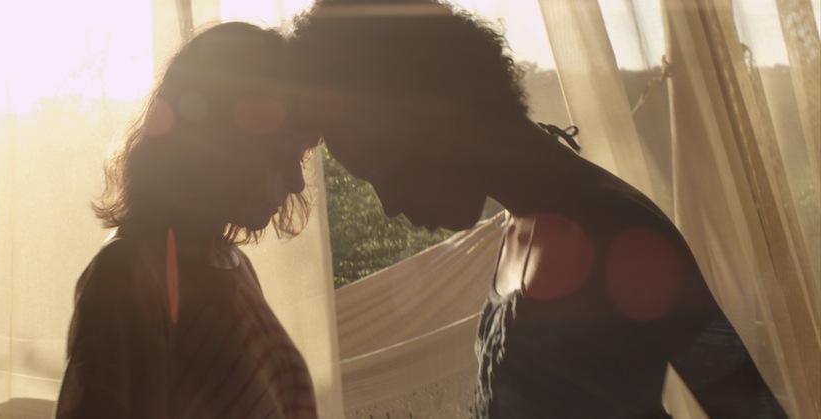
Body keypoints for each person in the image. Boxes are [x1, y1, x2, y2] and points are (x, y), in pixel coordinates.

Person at [286, 1, 788, 418]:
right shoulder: (520, 223)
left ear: (435, 118)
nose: (390, 206)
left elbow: (750, 409)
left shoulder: (617, 230)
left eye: (389, 173)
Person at [55, 22, 320, 419]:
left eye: (298, 156)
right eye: (278, 154)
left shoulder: (235, 266)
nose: (297, 181)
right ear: (212, 142)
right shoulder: (125, 276)